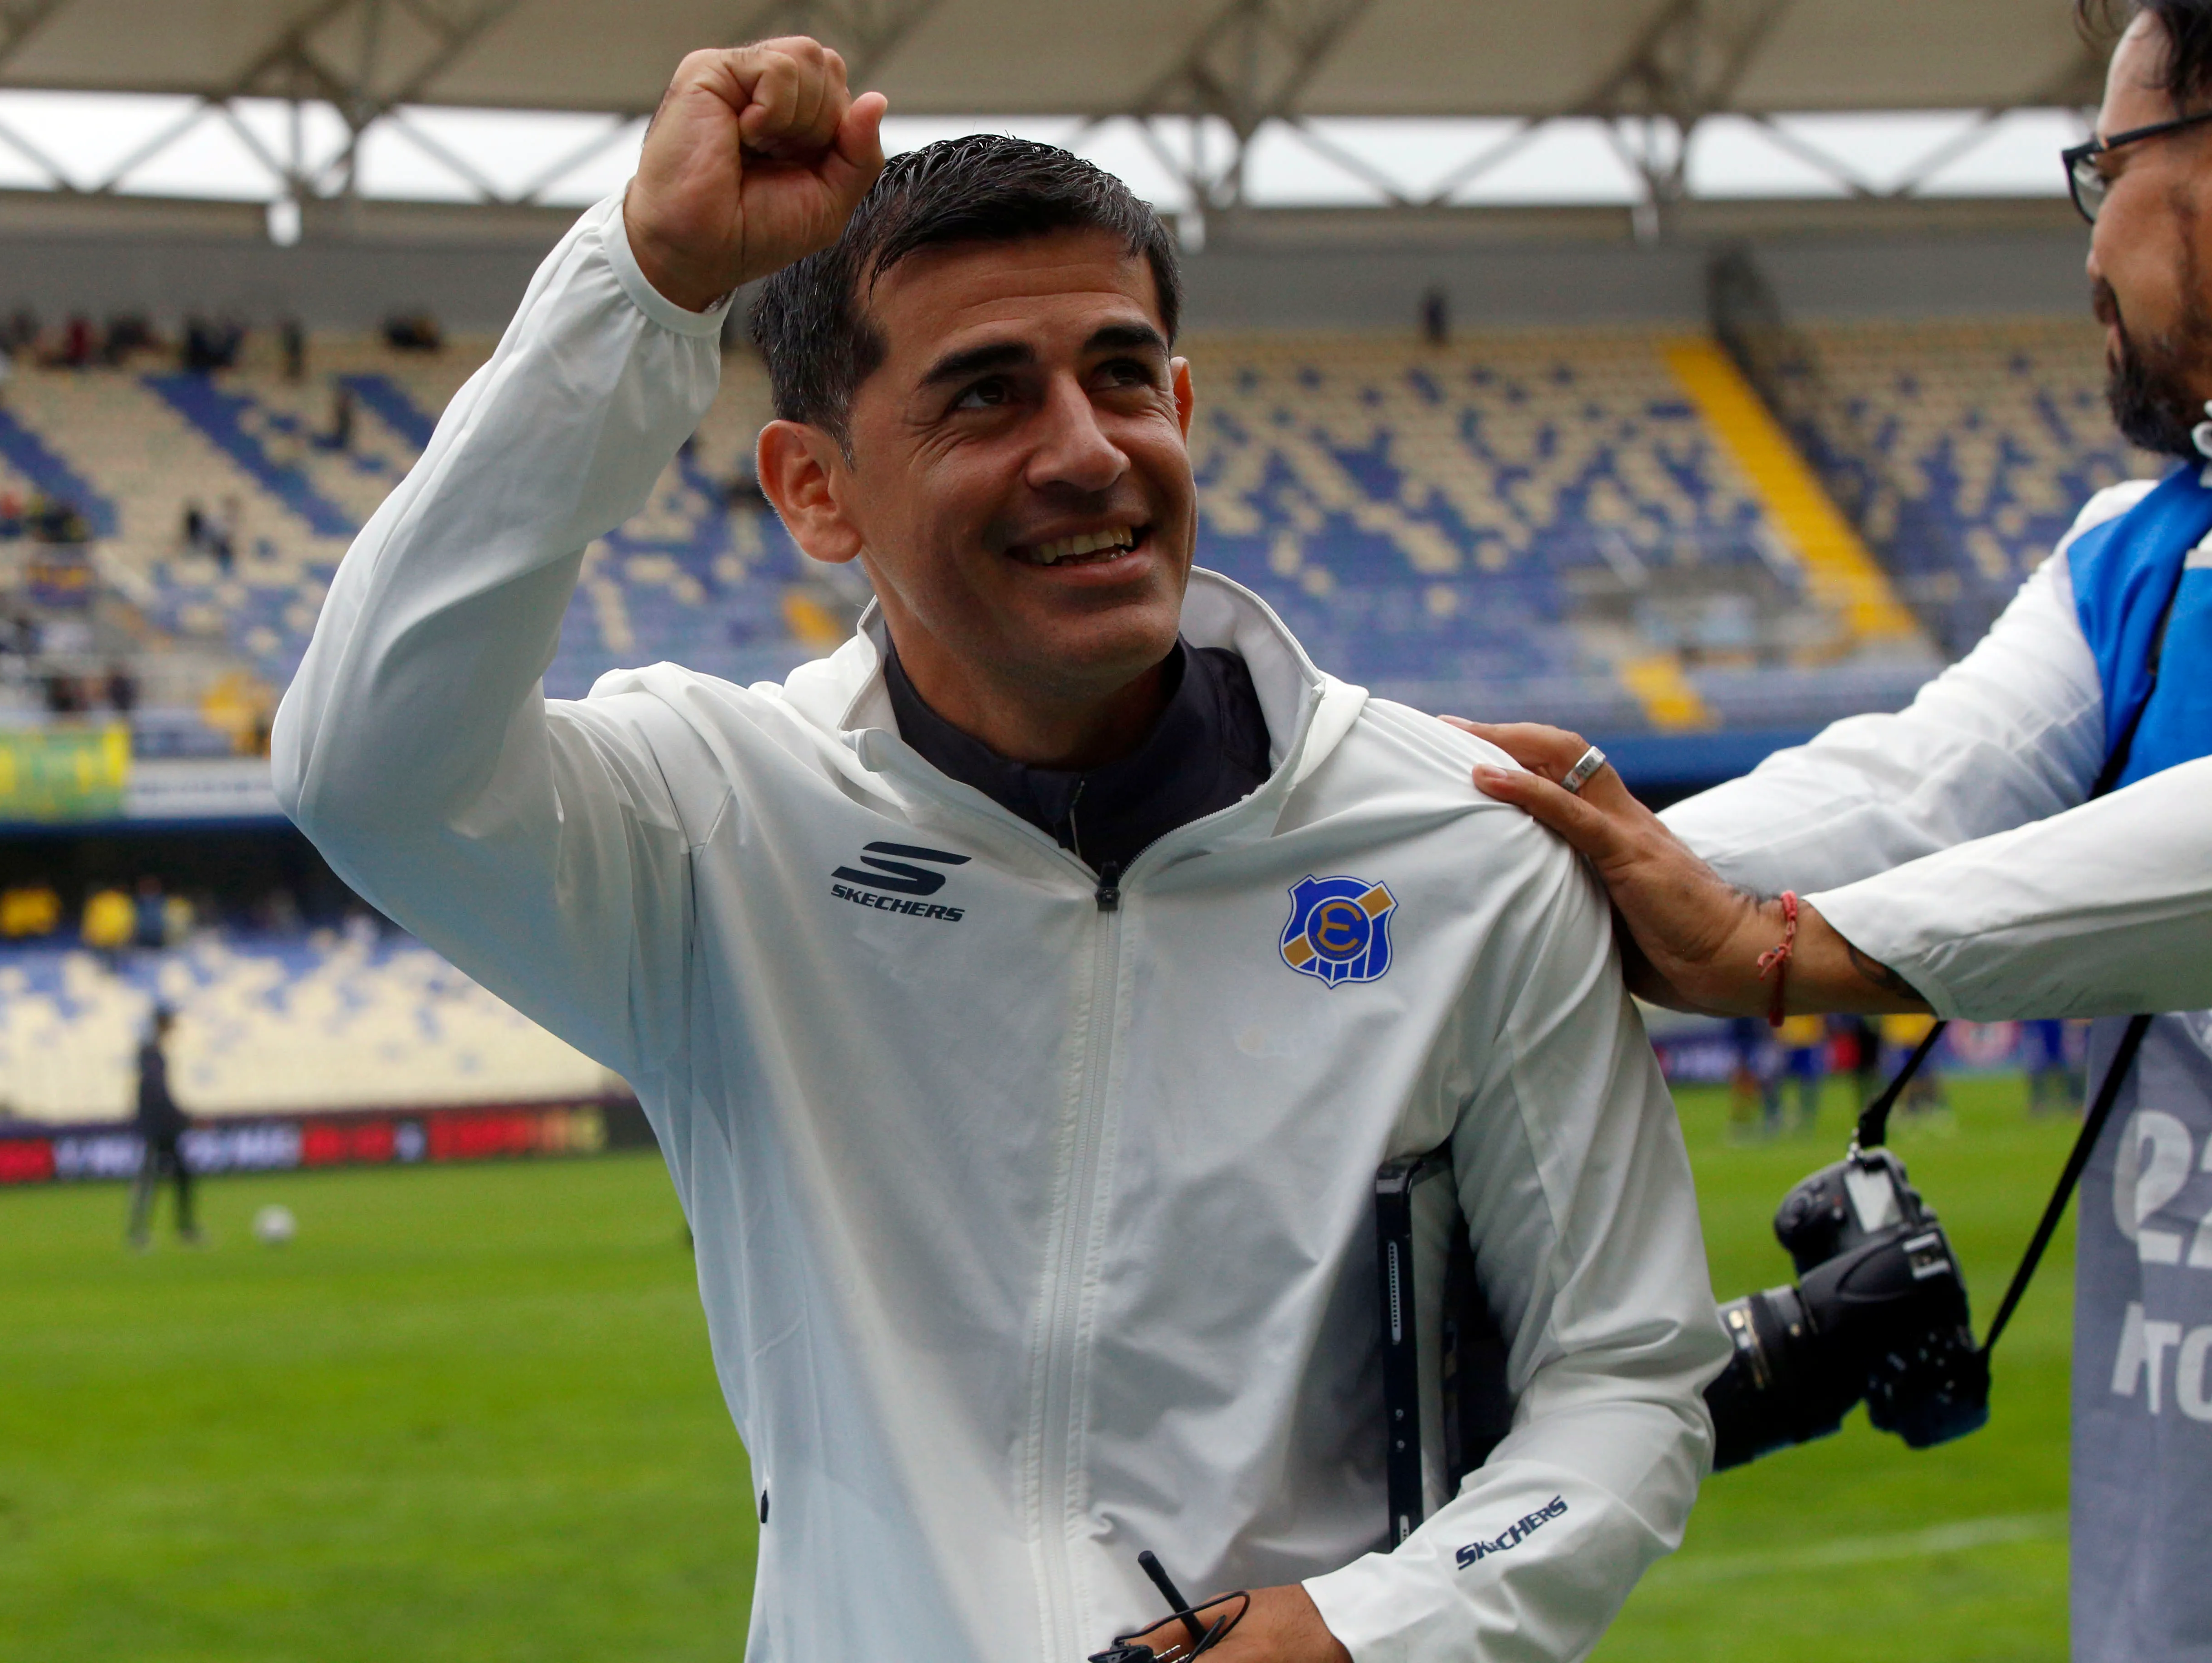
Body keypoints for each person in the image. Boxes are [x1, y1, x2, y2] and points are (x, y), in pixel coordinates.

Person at [273, 39, 1723, 1663]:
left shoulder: (1463, 838)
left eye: (1119, 376)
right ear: (815, 491)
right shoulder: (717, 824)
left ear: (1179, 405)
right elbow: (365, 766)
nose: (1086, 449)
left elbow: (1627, 1371)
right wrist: (647, 278)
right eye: (985, 395)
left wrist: (1377, 1625)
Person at [1450, 9, 2212, 1658]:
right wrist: (1503, 898)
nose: (2088, 235)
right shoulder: (2144, 558)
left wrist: (1789, 954)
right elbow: (1917, 779)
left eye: (2109, 168)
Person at [127, 1007, 199, 1249]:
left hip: (161, 1125)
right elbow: (155, 1090)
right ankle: (139, 1232)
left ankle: (183, 1229)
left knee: (179, 1176)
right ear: (163, 1024)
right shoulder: (151, 1052)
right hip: (158, 1127)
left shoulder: (151, 1050)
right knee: (154, 1178)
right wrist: (179, 1116)